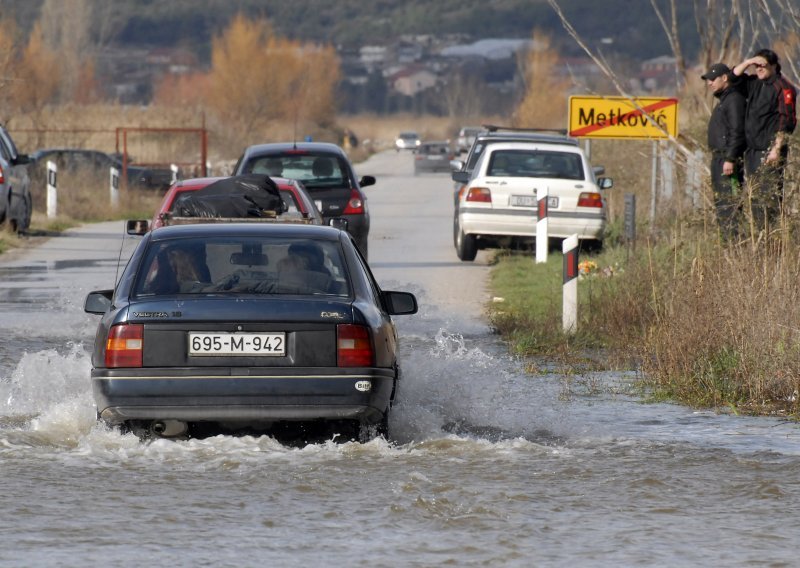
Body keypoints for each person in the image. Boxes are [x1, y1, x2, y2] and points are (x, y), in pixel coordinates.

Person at [732, 49, 797, 228]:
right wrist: (748, 62)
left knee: (769, 199)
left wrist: (777, 148)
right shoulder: (754, 84)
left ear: (774, 66)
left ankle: (772, 242)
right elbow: (732, 78)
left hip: (769, 151)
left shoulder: (783, 87)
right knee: (755, 199)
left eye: (763, 65)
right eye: (756, 66)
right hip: (752, 151)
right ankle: (760, 239)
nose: (759, 69)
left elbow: (787, 120)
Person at [702, 63, 746, 239]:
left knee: (730, 206)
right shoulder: (724, 100)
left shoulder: (734, 99)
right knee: (722, 206)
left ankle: (734, 244)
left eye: (713, 79)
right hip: (719, 159)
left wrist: (730, 158)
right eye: (708, 80)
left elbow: (738, 131)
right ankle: (727, 243)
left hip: (727, 161)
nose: (709, 83)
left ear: (725, 78)